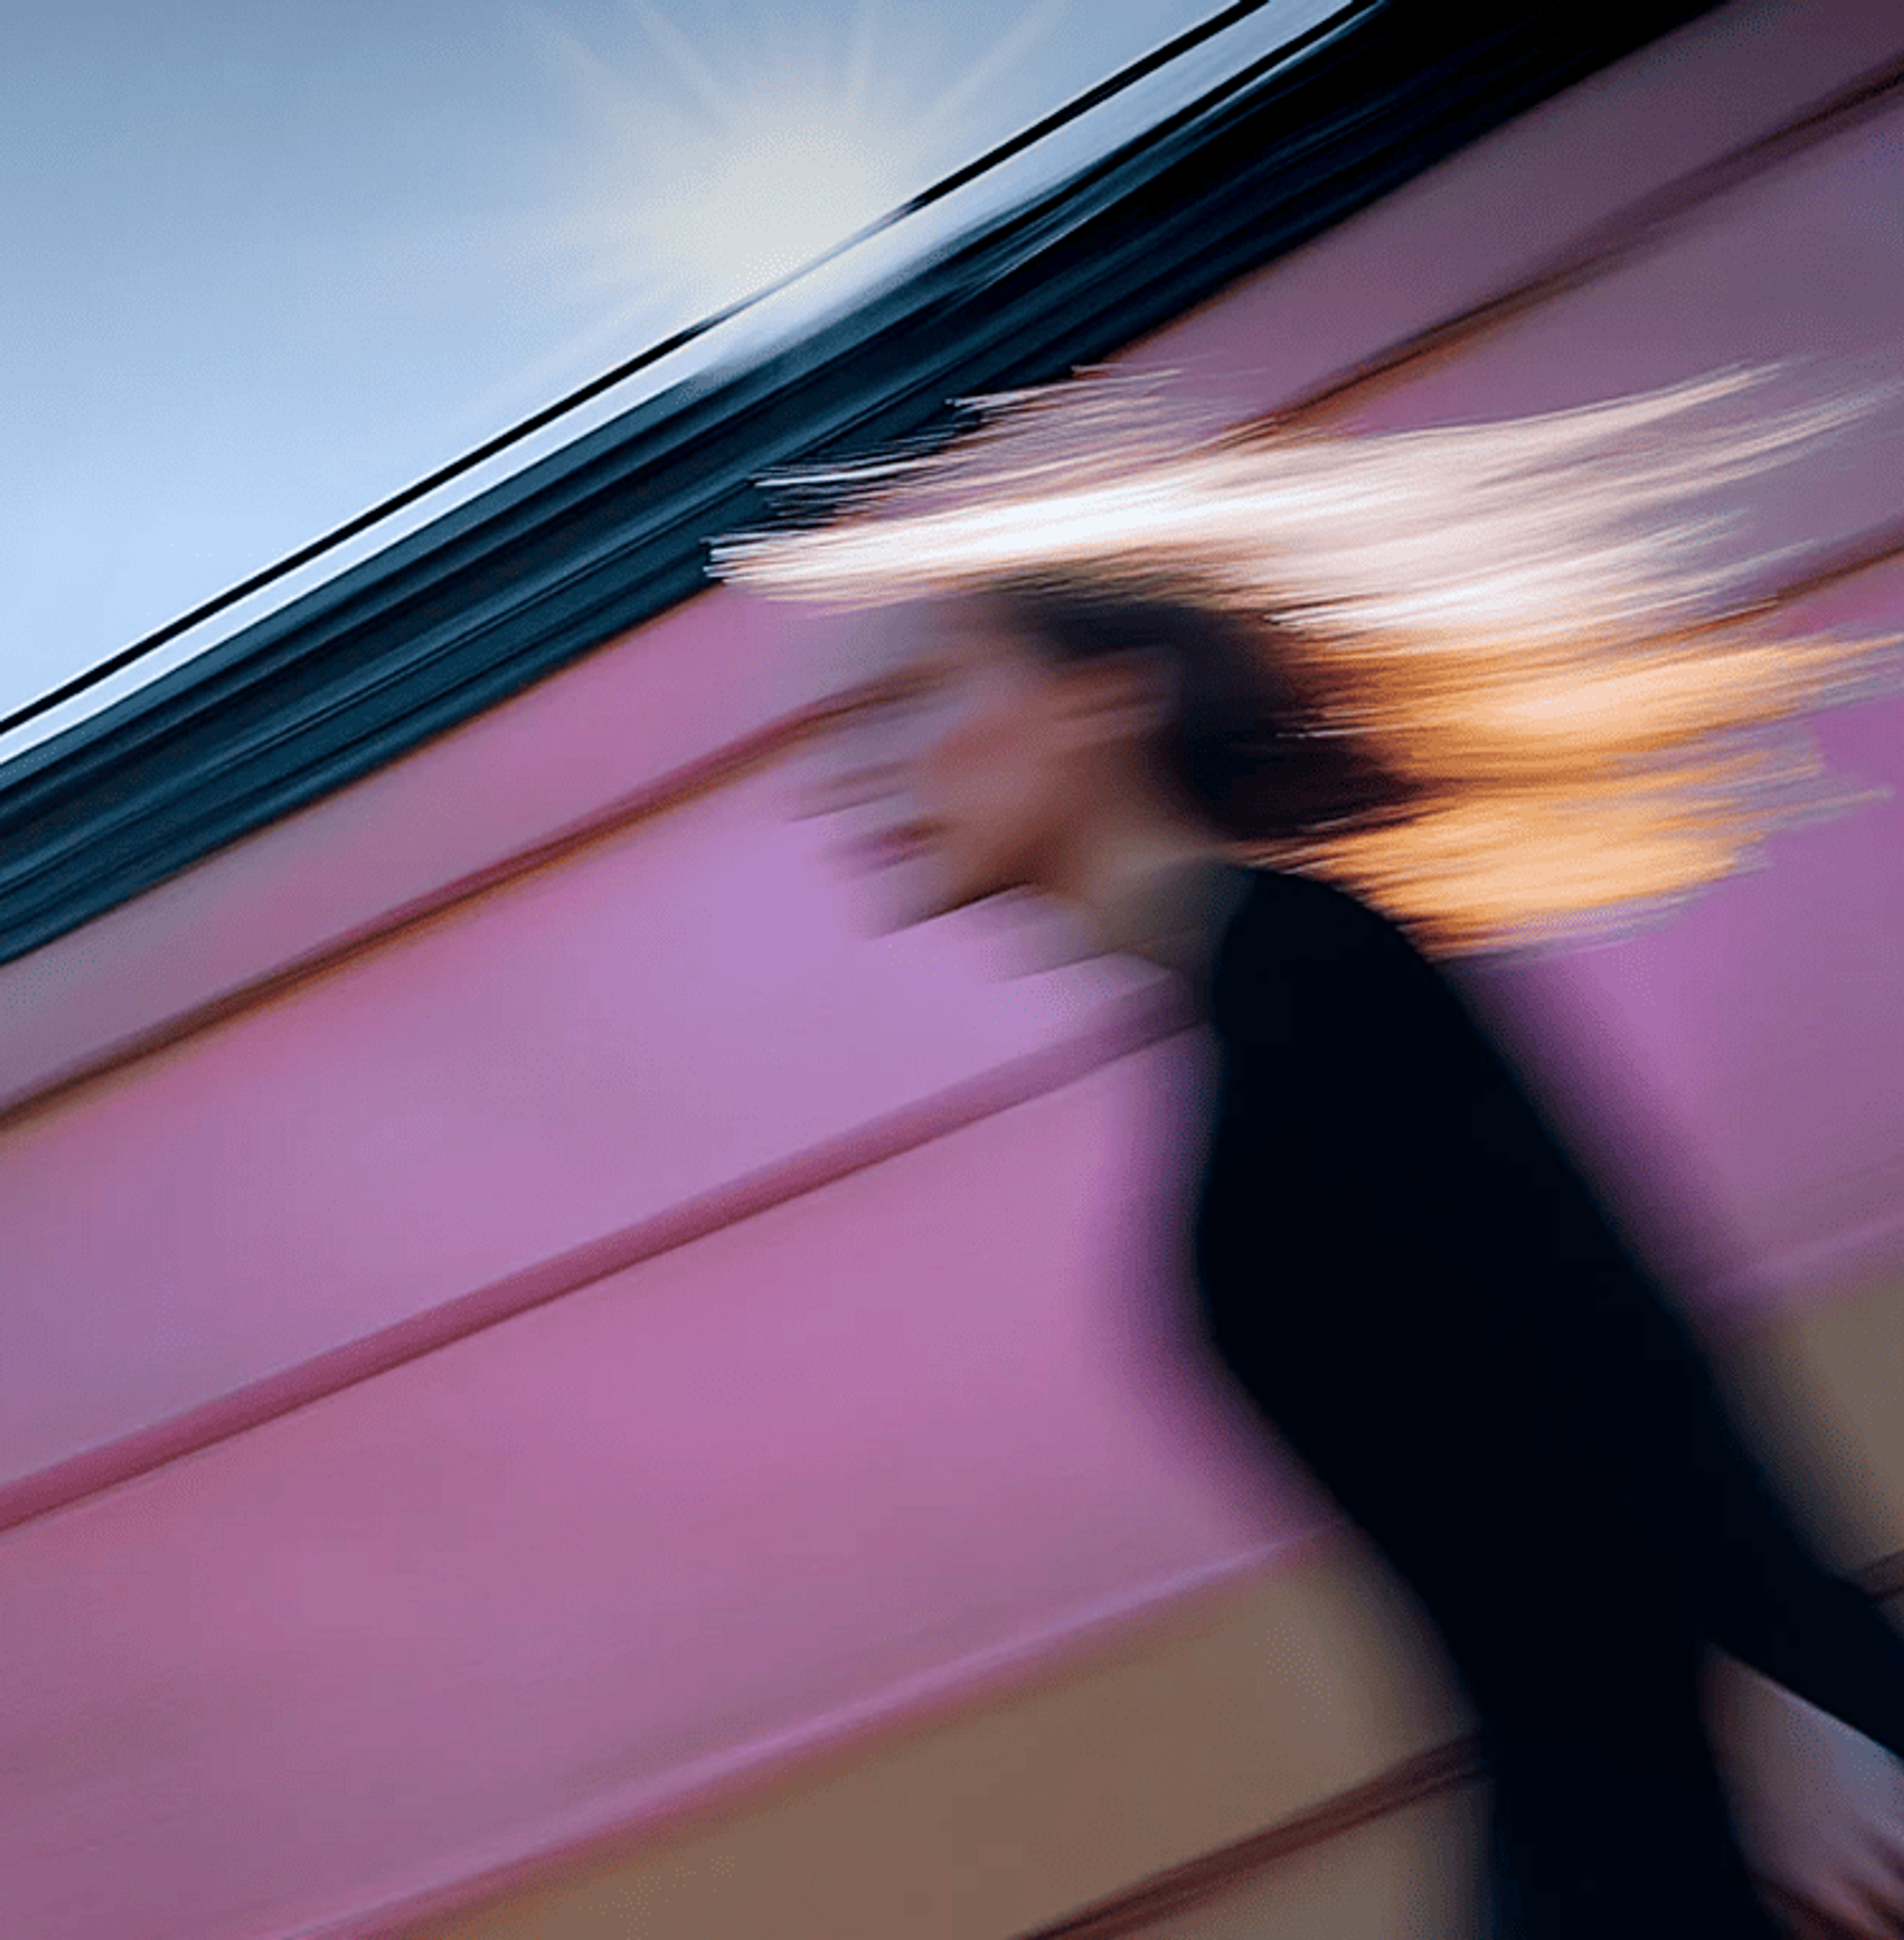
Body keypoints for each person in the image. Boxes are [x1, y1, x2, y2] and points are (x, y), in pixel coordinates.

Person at [714, 372, 1904, 1936]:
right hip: (1601, 1809)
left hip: (1727, 1806)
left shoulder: (1306, 965)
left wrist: (1775, 1705)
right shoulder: (1237, 1005)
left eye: (917, 695)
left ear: (1096, 700)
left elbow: (1595, 1336)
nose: (859, 772)